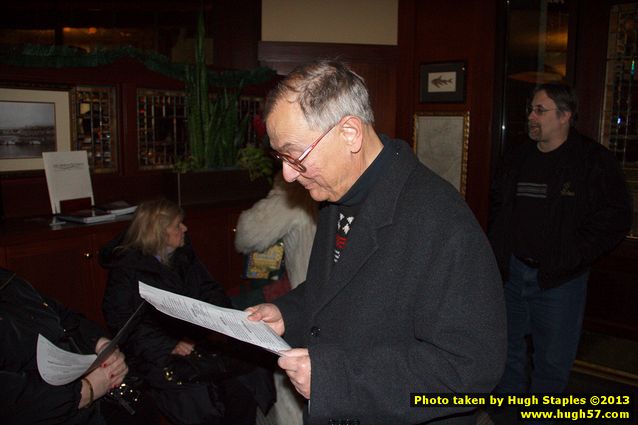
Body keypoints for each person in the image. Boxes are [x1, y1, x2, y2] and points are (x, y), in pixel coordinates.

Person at [246, 59, 507, 425]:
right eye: (281, 157)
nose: (288, 174)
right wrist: (288, 313)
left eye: (296, 155)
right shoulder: (337, 195)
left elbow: (469, 370)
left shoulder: (440, 220)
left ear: (350, 133)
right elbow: (340, 290)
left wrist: (337, 380)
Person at [488, 82, 632, 396]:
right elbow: (498, 206)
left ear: (565, 115)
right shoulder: (516, 157)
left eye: (540, 110)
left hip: (558, 281)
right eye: (531, 109)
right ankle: (508, 413)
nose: (531, 116)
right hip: (511, 274)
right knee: (507, 352)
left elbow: (616, 218)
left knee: (552, 363)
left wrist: (571, 255)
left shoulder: (592, 161)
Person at [100, 198, 273, 425]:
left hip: (198, 338)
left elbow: (209, 289)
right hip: (155, 352)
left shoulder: (182, 255)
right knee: (200, 398)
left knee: (248, 375)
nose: (185, 228)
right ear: (160, 232)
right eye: (178, 225)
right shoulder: (127, 268)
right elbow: (121, 321)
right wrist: (168, 344)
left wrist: (224, 318)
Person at [235, 170, 318, 425]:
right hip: (331, 304)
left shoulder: (295, 193)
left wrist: (278, 191)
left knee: (292, 383)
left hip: (307, 307)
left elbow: (246, 235)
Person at [0, 267, 128, 425]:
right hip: (61, 407)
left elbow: (64, 315)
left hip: (85, 404)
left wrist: (101, 344)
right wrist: (86, 390)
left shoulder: (9, 280)